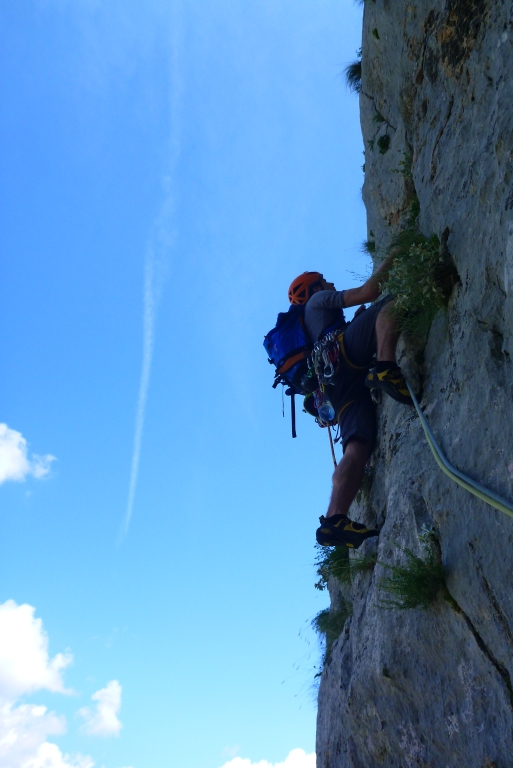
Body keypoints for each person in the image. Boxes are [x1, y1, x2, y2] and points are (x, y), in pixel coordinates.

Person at [287, 258, 412, 549]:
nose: (330, 282)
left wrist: (356, 323)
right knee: (391, 302)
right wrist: (393, 256)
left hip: (334, 386)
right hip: (342, 356)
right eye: (324, 280)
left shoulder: (310, 324)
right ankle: (386, 368)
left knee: (357, 446)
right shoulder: (318, 300)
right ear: (314, 288)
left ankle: (335, 519)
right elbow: (369, 291)